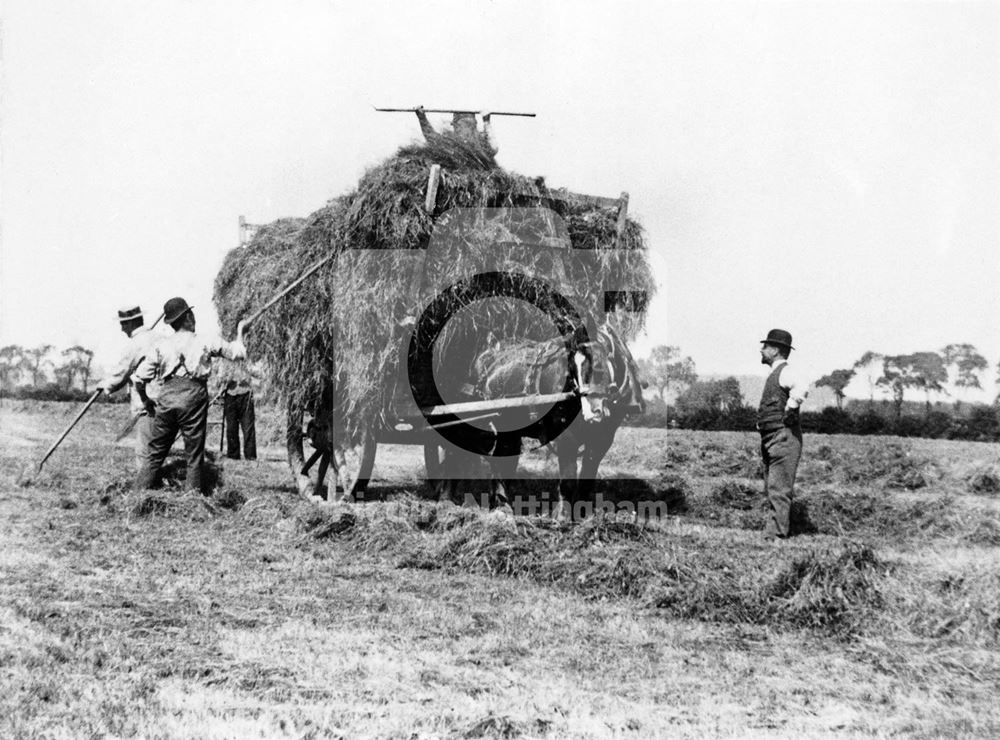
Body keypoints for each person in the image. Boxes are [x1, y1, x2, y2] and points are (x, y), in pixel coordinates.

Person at [132, 297, 247, 493]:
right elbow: (238, 353)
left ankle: (137, 495)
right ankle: (192, 499)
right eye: (191, 315)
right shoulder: (205, 340)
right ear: (187, 317)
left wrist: (146, 401)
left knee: (154, 454)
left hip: (167, 397)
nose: (194, 319)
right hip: (193, 397)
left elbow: (138, 379)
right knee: (194, 454)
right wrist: (241, 332)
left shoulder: (161, 345)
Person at [756, 329, 809, 539]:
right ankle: (773, 531)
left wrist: (792, 406)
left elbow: (802, 386)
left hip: (783, 437)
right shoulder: (774, 375)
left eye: (766, 346)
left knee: (778, 488)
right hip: (771, 438)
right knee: (772, 487)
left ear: (776, 350)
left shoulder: (786, 372)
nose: (762, 349)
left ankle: (777, 534)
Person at [96, 306, 156, 469]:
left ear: (131, 323)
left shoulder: (135, 344)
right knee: (157, 449)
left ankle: (145, 487)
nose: (122, 329)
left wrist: (105, 385)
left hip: (147, 404)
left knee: (145, 451)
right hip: (167, 401)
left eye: (123, 324)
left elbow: (121, 372)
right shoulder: (159, 337)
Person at [217, 358, 258, 461]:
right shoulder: (224, 362)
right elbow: (220, 379)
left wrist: (246, 371)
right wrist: (226, 378)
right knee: (231, 428)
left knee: (248, 428)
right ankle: (233, 456)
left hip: (246, 395)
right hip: (230, 395)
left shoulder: (247, 360)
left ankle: (250, 457)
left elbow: (256, 373)